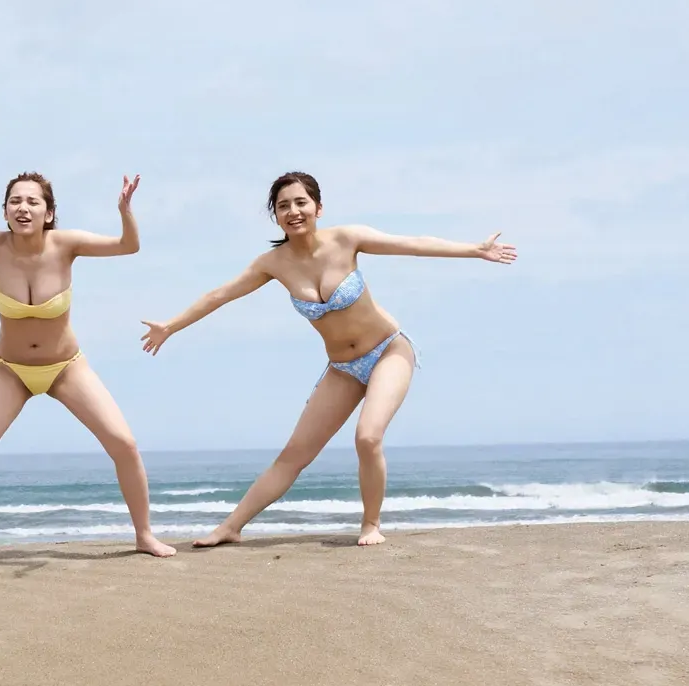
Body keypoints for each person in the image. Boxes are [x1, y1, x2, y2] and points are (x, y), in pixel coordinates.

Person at [141, 170, 516, 548]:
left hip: (388, 350)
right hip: (342, 369)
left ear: (318, 207)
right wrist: (170, 326)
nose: (293, 211)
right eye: (283, 206)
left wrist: (474, 249)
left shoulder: (347, 239)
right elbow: (219, 295)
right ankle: (230, 527)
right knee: (293, 454)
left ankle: (371, 524)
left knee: (367, 437)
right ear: (276, 216)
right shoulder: (273, 263)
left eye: (301, 202)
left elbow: (413, 244)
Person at [0, 151, 177, 579]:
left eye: (32, 201)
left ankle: (144, 535)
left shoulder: (66, 244)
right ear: (5, 211)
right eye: (15, 201)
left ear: (49, 213)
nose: (23, 208)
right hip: (10, 370)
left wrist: (125, 211)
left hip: (66, 367)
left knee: (124, 443)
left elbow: (128, 246)